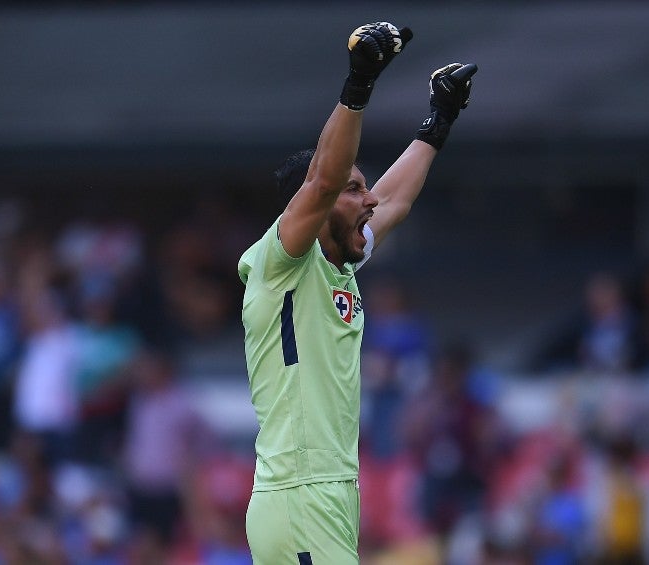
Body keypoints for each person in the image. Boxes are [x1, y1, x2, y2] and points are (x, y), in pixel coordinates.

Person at [238, 22, 477, 564]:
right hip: (300, 492)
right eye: (354, 189)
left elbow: (393, 203)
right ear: (313, 207)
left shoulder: (334, 265)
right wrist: (360, 82)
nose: (367, 199)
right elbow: (324, 180)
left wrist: (438, 121)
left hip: (328, 492)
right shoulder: (279, 262)